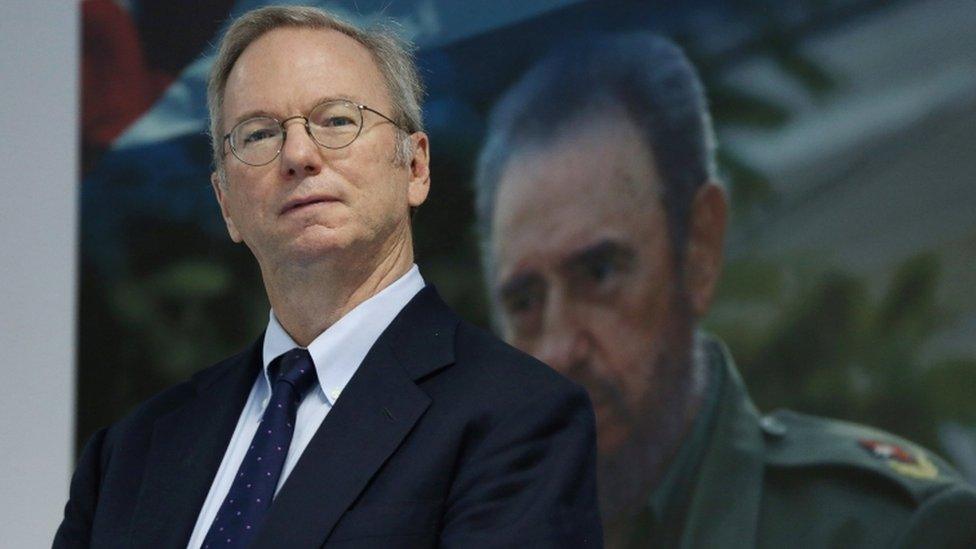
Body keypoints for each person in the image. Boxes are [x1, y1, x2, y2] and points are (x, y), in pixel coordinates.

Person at [55, 6, 602, 548]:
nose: (298, 154)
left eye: (338, 119)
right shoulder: (129, 453)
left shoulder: (520, 418)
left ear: (415, 167)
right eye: (259, 134)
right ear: (226, 204)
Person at [474, 33, 976, 548]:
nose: (560, 349)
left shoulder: (883, 530)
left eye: (600, 273)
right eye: (525, 302)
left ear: (699, 250)